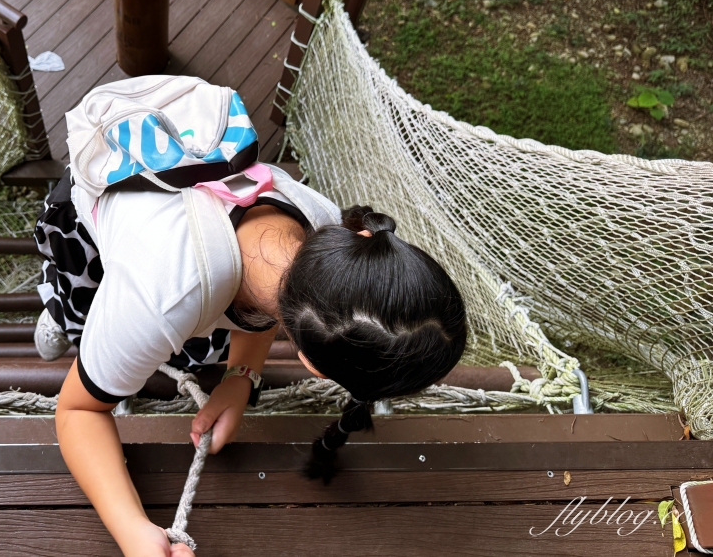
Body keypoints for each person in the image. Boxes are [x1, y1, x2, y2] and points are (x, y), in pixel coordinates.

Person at [35, 76, 468, 556]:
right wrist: (132, 531)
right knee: (87, 306)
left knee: (156, 331)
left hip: (167, 169)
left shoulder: (328, 231)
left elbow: (280, 299)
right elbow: (78, 411)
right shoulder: (162, 301)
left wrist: (240, 376)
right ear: (312, 365)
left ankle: (99, 335)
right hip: (97, 208)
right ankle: (66, 314)